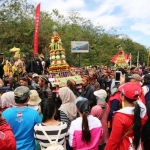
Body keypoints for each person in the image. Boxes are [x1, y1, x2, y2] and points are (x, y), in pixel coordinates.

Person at [105, 82, 147, 150]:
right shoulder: (142, 111)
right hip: (137, 145)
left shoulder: (119, 116)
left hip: (124, 146)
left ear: (122, 96)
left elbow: (114, 141)